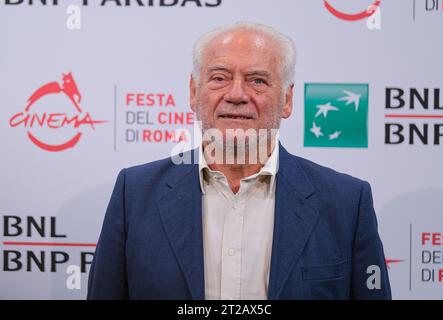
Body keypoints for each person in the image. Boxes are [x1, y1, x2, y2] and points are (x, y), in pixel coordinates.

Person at [87, 21, 391, 300]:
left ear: (287, 99)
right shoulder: (135, 194)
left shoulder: (346, 203)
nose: (236, 94)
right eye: (219, 78)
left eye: (257, 80)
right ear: (194, 92)